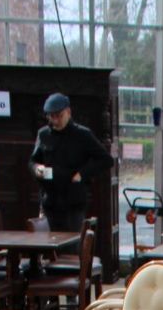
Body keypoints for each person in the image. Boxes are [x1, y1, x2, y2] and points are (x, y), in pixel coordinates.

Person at [29, 92, 112, 232]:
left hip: (72, 202)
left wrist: (82, 174)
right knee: (47, 246)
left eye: (59, 116)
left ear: (68, 112)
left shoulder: (82, 135)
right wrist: (37, 169)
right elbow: (33, 161)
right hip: (49, 201)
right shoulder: (43, 134)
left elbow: (106, 159)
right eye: (51, 116)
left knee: (72, 247)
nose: (55, 121)